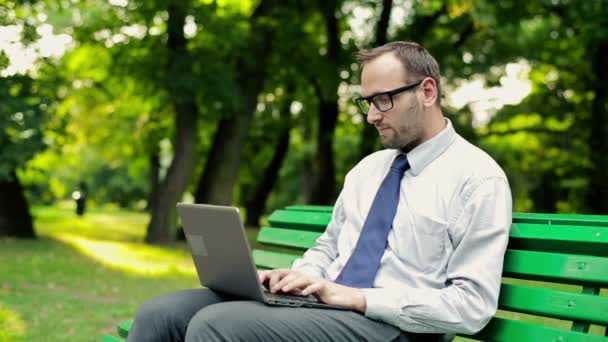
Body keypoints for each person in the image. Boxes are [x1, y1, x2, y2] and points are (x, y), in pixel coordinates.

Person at [127, 41, 512, 342]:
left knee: (217, 326)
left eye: (383, 99)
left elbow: (472, 306)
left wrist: (359, 298)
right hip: (328, 310)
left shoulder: (477, 180)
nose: (371, 115)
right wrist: (300, 278)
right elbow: (329, 247)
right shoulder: (369, 169)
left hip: (398, 329)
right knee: (161, 314)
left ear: (427, 92)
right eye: (367, 101)